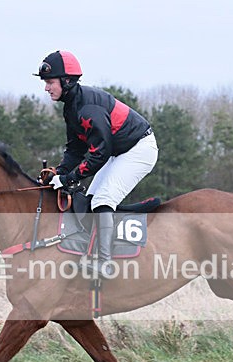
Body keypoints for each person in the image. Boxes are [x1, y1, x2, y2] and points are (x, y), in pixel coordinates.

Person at [35, 50, 158, 278]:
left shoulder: (88, 109)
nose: (46, 88)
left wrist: (68, 178)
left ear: (67, 81)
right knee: (90, 201)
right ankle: (90, 255)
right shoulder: (71, 107)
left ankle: (105, 263)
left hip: (139, 149)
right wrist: (58, 173)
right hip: (119, 151)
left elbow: (99, 154)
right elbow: (75, 149)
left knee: (102, 200)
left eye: (50, 82)